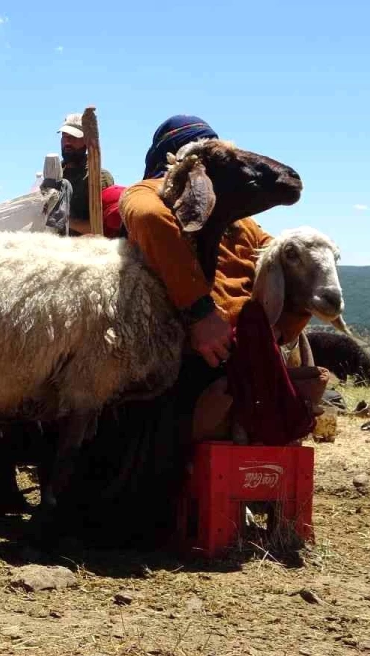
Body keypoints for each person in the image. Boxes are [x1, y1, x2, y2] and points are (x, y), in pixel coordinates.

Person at [120, 115, 326, 440]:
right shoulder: (149, 193)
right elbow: (148, 217)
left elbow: (278, 253)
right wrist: (200, 312)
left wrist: (285, 323)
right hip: (188, 349)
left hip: (250, 346)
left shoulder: (239, 218)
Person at [57, 113, 116, 235]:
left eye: (73, 136)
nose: (67, 140)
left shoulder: (97, 177)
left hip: (84, 249)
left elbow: (103, 227)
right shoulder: (55, 174)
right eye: (64, 135)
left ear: (86, 141)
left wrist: (66, 221)